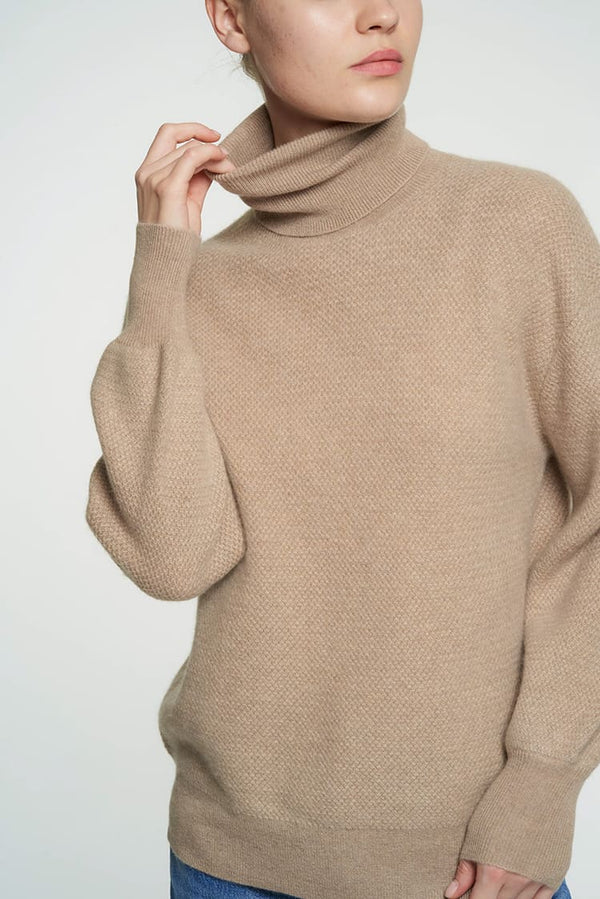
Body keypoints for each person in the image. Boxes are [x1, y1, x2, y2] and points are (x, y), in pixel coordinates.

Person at [85, 1, 599, 897]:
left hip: (467, 862)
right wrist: (162, 261)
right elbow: (173, 556)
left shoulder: (519, 224)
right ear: (231, 18)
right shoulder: (200, 281)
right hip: (227, 860)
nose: (381, 14)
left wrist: (544, 780)